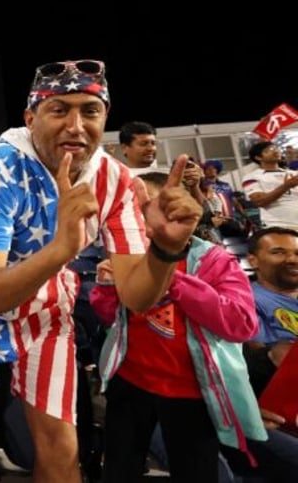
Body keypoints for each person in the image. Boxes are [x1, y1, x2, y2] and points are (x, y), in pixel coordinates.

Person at [0, 59, 203, 482]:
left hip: (43, 307)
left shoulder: (113, 179)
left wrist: (167, 250)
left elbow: (136, 296)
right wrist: (63, 247)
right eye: (59, 110)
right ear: (30, 117)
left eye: (89, 111)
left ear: (105, 118)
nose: (76, 125)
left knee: (62, 450)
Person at [90, 171, 265, 483]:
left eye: (158, 206)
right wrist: (105, 288)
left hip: (192, 392)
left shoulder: (215, 260)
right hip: (130, 382)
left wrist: (169, 274)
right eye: (134, 208)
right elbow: (111, 319)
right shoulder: (126, 255)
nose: (148, 217)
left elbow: (241, 325)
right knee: (118, 470)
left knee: (195, 472)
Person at [220, 226, 298, 482]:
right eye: (278, 252)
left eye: (297, 253)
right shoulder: (245, 300)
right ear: (252, 260)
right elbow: (267, 355)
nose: (292, 259)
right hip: (279, 400)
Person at [241, 140, 298, 230]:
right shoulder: (251, 177)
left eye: (275, 148)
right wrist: (286, 186)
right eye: (268, 150)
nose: (275, 151)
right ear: (258, 158)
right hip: (279, 227)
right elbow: (260, 201)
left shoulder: (294, 174)